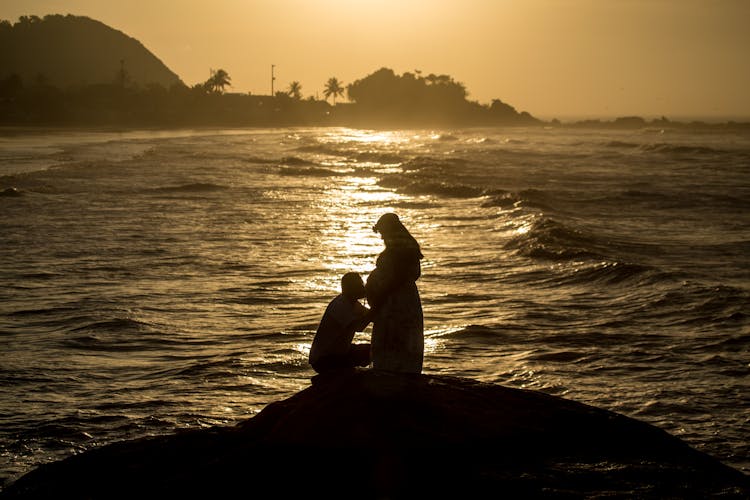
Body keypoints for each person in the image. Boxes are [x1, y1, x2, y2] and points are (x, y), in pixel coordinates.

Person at [366, 213, 424, 373]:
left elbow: (395, 279)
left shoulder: (399, 251)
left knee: (394, 337)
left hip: (395, 303)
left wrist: (379, 297)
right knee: (403, 339)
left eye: (384, 233)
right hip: (404, 301)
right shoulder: (407, 248)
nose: (382, 238)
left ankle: (392, 375)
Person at [309, 272, 372, 374]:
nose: (363, 287)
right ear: (352, 288)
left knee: (371, 350)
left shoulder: (352, 303)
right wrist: (376, 310)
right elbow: (359, 327)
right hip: (324, 359)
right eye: (360, 285)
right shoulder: (341, 305)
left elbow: (370, 316)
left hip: (339, 352)